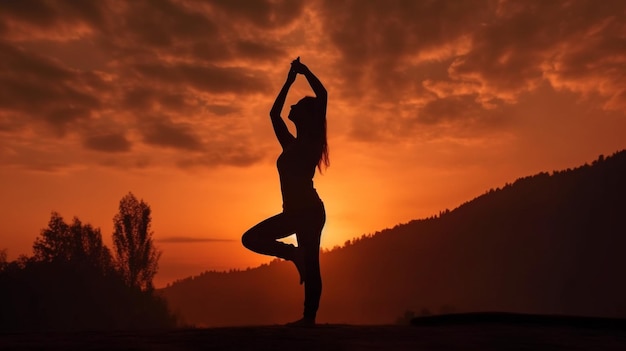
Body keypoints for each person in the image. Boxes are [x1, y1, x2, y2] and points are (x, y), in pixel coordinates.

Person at [241, 57, 328, 326]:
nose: (292, 105)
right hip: (295, 212)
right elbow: (273, 115)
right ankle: (293, 254)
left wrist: (304, 72)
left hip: (308, 212)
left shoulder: (312, 142)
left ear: (305, 117)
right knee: (252, 239)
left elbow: (323, 94)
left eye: (297, 106)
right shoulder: (290, 144)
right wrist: (289, 81)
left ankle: (308, 318)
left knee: (312, 266)